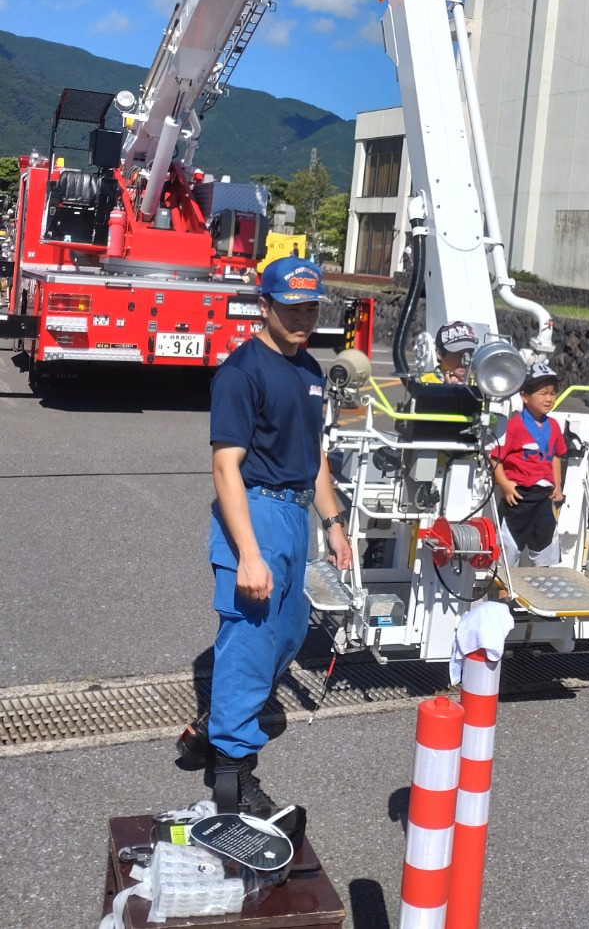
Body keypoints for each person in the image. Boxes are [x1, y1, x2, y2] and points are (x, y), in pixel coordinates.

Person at [206, 256, 352, 814]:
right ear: (263, 306)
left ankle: (222, 717)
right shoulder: (243, 372)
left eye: (311, 308)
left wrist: (333, 523)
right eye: (290, 308)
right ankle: (233, 776)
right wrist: (247, 553)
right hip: (256, 512)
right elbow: (225, 467)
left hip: (294, 518)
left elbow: (312, 456)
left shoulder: (310, 372)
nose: (302, 319)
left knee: (289, 633)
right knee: (249, 640)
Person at [492, 361, 565, 569]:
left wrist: (558, 486)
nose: (549, 398)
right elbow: (496, 458)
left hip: (544, 498)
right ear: (524, 396)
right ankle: (503, 597)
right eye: (542, 393)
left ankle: (540, 594)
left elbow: (556, 456)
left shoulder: (554, 426)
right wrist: (505, 485)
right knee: (507, 550)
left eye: (552, 393)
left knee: (545, 549)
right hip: (518, 498)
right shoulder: (514, 425)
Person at [422, 320, 478, 385]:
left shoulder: (480, 383)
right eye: (459, 353)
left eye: (470, 352)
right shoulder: (424, 383)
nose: (466, 360)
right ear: (439, 354)